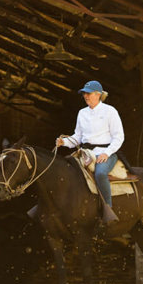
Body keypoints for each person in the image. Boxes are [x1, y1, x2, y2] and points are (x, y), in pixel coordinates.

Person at [56, 80, 124, 223]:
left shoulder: (110, 111)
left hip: (105, 152)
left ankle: (108, 210)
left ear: (98, 94)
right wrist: (64, 142)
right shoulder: (82, 113)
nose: (86, 96)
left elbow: (119, 137)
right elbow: (78, 137)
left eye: (88, 93)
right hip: (85, 153)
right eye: (84, 94)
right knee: (64, 170)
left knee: (100, 173)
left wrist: (107, 153)